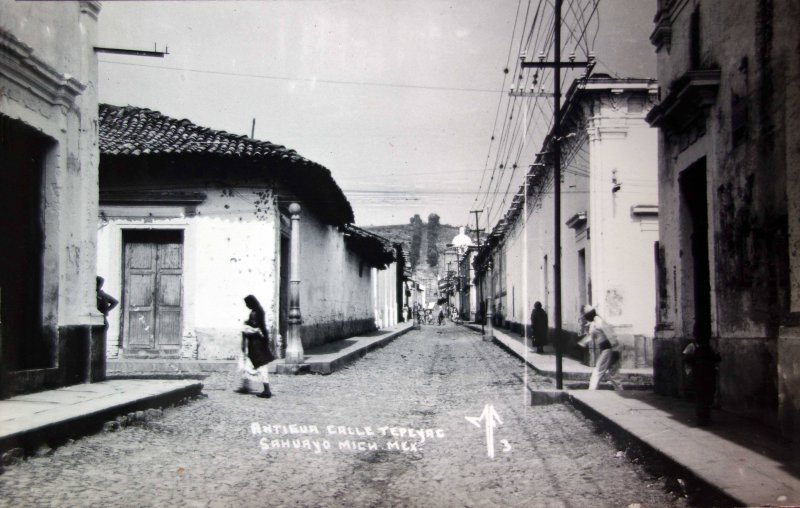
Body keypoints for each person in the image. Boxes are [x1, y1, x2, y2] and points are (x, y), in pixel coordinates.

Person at [236, 295, 275, 398]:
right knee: (250, 364)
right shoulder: (258, 311)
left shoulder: (255, 313)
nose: (247, 306)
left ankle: (266, 390)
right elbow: (259, 326)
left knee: (260, 366)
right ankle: (246, 386)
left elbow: (255, 328)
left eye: (247, 304)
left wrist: (246, 328)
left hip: (256, 344)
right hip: (258, 343)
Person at [583, 305, 623, 391]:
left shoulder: (600, 322)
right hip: (608, 349)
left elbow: (611, 336)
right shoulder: (594, 323)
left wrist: (615, 350)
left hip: (608, 349)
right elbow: (592, 336)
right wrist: (582, 342)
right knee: (613, 372)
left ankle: (592, 390)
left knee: (598, 371)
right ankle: (620, 390)